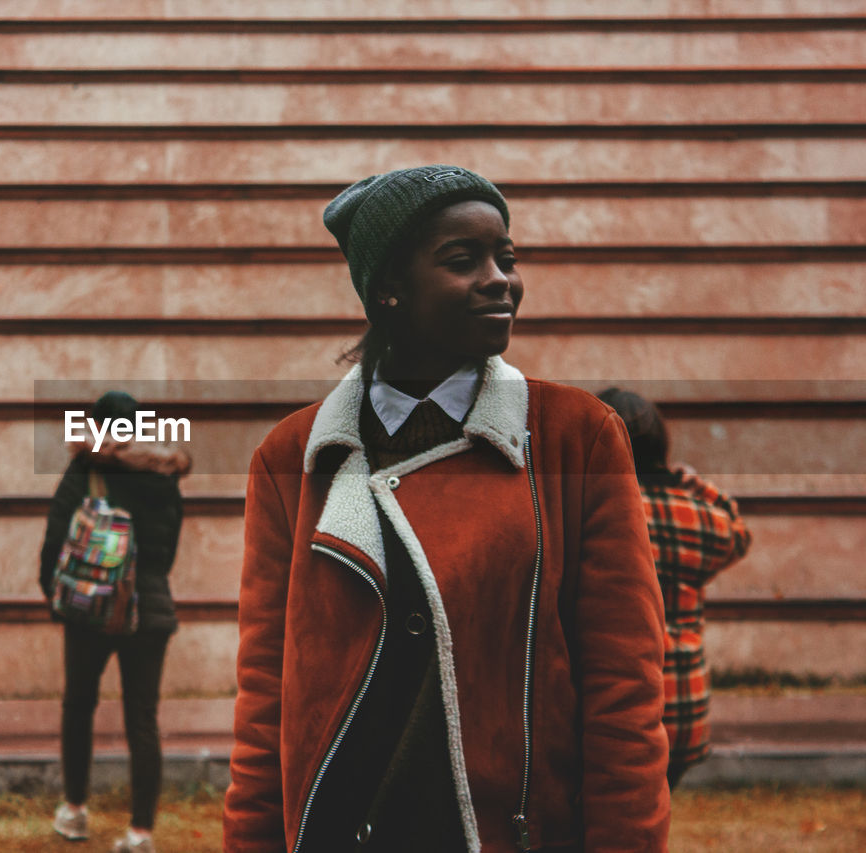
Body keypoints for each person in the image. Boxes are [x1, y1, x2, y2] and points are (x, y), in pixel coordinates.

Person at [223, 165, 671, 851]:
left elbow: (624, 695)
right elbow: (266, 703)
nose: (500, 279)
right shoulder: (293, 457)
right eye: (464, 260)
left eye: (507, 257)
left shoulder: (576, 434)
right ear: (389, 292)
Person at [40, 391, 191, 853]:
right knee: (142, 717)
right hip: (150, 607)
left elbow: (55, 538)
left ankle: (75, 811)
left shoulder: (87, 469)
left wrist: (56, 597)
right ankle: (141, 832)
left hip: (91, 609)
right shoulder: (165, 476)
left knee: (78, 704)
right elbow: (168, 549)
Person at [597, 387, 752, 789]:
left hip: (623, 711)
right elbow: (737, 528)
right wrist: (690, 481)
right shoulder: (696, 516)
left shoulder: (597, 510)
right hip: (685, 712)